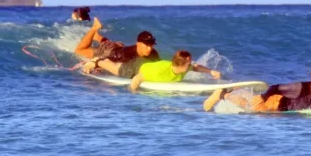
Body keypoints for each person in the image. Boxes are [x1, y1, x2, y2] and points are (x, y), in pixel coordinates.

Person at [203, 61, 311, 113]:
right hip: (275, 104)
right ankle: (223, 95)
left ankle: (226, 94)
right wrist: (263, 97)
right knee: (249, 107)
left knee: (250, 107)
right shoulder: (298, 88)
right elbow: (276, 87)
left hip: (282, 113)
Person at [84, 50, 221, 91]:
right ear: (181, 65)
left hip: (149, 64)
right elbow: (137, 79)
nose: (191, 64)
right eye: (189, 63)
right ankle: (97, 60)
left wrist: (211, 72)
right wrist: (132, 94)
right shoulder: (159, 72)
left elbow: (196, 67)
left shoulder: (184, 68)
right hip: (137, 68)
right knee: (116, 69)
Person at [73, 18, 161, 78]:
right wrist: (94, 64)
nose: (149, 48)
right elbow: (106, 59)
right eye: (146, 45)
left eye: (151, 45)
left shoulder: (154, 53)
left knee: (108, 43)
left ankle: (98, 37)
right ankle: (94, 28)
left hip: (119, 47)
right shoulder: (127, 54)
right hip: (108, 51)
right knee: (79, 50)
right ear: (138, 44)